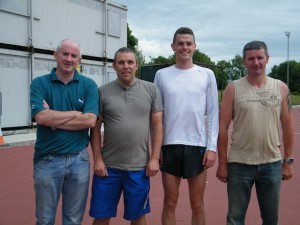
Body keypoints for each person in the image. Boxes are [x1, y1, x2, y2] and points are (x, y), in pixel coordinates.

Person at [216, 40, 294, 225]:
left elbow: (288, 126)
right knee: (235, 218)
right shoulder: (232, 89)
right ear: (244, 61)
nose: (256, 62)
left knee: (271, 218)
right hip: (239, 164)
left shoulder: (281, 88)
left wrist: (288, 161)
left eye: (260, 57)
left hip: (271, 163)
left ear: (267, 59)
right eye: (251, 59)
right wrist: (222, 164)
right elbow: (222, 127)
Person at [89, 47, 163, 225]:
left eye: (130, 62)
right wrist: (97, 160)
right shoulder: (103, 91)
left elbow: (158, 125)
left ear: (137, 65)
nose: (126, 66)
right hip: (108, 168)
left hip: (138, 167)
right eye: (121, 62)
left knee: (137, 216)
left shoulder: (151, 89)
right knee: (101, 216)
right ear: (114, 66)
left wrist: (154, 158)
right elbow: (95, 128)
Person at [154, 27, 219, 225]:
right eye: (180, 43)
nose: (185, 47)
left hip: (197, 147)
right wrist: (156, 150)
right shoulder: (161, 75)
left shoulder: (206, 74)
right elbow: (156, 117)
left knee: (197, 204)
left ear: (195, 46)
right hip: (170, 146)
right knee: (170, 203)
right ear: (173, 46)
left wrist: (211, 148)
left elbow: (213, 113)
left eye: (188, 43)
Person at [30, 39, 99, 225]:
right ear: (55, 54)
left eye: (73, 56)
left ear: (80, 60)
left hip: (79, 160)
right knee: (44, 219)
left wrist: (53, 121)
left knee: (74, 219)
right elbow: (41, 118)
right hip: (47, 160)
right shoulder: (39, 84)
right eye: (65, 54)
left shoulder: (89, 85)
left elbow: (90, 120)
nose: (69, 59)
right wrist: (76, 114)